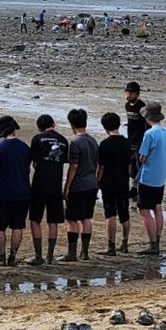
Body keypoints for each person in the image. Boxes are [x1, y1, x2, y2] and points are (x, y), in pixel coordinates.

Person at [0, 116, 31, 266]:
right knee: (18, 226)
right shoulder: (24, 147)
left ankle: (1, 256)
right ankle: (13, 256)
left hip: (5, 193)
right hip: (24, 192)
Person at [26, 114, 68, 265]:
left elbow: (33, 163)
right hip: (56, 183)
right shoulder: (63, 140)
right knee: (53, 221)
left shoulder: (37, 139)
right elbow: (63, 161)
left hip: (39, 183)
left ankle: (38, 256)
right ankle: (50, 255)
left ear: (39, 127)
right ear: (54, 124)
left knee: (35, 219)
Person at [60, 108, 99, 261]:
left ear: (72, 125)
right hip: (92, 183)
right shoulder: (93, 141)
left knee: (72, 219)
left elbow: (73, 166)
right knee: (86, 218)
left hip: (79, 185)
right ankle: (85, 252)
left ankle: (71, 253)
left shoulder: (75, 143)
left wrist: (67, 186)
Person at [136, 102, 166, 254]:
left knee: (144, 210)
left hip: (149, 176)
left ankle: (152, 244)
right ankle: (157, 238)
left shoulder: (149, 134)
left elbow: (142, 157)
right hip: (161, 176)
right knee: (157, 207)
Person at [97, 112, 131, 255]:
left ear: (105, 127)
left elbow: (101, 167)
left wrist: (97, 180)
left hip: (109, 183)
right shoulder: (126, 142)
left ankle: (111, 245)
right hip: (123, 181)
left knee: (110, 213)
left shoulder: (104, 144)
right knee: (124, 213)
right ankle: (125, 243)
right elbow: (129, 166)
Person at [124, 82, 147, 197]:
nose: (129, 95)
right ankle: (133, 187)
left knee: (139, 165)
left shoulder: (142, 107)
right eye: (127, 92)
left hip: (140, 141)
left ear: (137, 94)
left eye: (131, 93)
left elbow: (147, 125)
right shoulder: (127, 105)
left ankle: (138, 188)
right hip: (130, 140)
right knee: (131, 165)